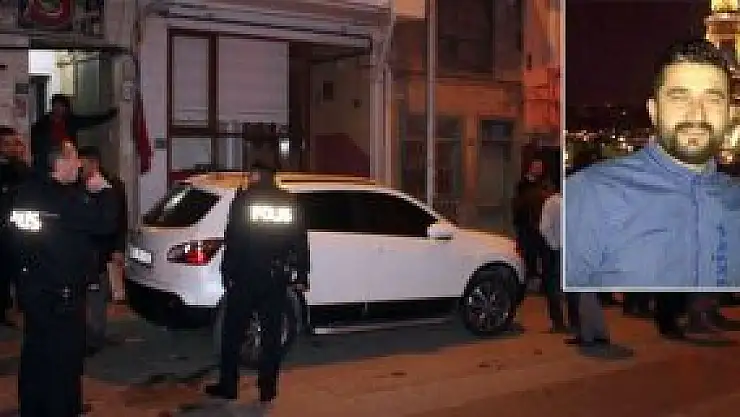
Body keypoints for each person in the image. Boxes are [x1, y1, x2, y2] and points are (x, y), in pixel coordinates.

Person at [566, 39, 740, 290]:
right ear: (653, 111)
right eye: (680, 98)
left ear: (730, 114)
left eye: (712, 99)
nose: (697, 115)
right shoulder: (590, 195)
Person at [5, 141, 117, 417]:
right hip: (61, 294)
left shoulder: (23, 193)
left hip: (32, 288)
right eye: (74, 158)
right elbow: (105, 223)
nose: (79, 164)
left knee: (36, 355)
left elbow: (14, 241)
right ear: (58, 164)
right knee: (63, 361)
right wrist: (104, 191)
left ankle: (33, 408)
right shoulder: (63, 200)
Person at [205, 161, 309, 404]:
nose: (248, 178)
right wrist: (302, 274)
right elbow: (300, 240)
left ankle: (229, 386)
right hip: (275, 278)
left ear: (257, 175)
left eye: (250, 174)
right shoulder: (289, 202)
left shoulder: (245, 200)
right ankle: (267, 389)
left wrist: (227, 271)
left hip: (247, 276)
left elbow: (234, 239)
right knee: (271, 336)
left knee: (232, 333)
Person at [78, 145, 128, 355]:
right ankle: (88, 334)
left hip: (100, 251)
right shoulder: (79, 185)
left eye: (82, 165)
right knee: (87, 296)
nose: (79, 168)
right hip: (84, 251)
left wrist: (118, 248)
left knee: (97, 294)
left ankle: (95, 337)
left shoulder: (111, 186)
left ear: (94, 163)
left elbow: (120, 220)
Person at [30, 94, 117, 176]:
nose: (59, 109)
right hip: (48, 158)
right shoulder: (42, 124)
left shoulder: (70, 121)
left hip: (68, 156)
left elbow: (89, 120)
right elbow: (35, 141)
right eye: (56, 106)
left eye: (61, 106)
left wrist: (108, 116)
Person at [0, 126, 32, 326]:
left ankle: (23, 308)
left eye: (15, 143)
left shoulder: (21, 168)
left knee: (22, 270)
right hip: (2, 229)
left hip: (20, 227)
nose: (12, 148)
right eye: (7, 144)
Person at [511, 157, 550, 303]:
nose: (539, 170)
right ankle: (525, 283)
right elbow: (519, 205)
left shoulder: (544, 184)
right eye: (536, 167)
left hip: (541, 225)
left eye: (540, 167)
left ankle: (542, 285)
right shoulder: (523, 185)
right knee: (527, 255)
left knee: (544, 256)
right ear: (530, 168)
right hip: (527, 226)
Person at [538, 184, 568, 332]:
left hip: (561, 248)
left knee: (555, 286)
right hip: (567, 248)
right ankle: (571, 321)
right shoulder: (560, 202)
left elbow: (544, 228)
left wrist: (554, 245)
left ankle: (559, 322)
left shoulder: (553, 203)